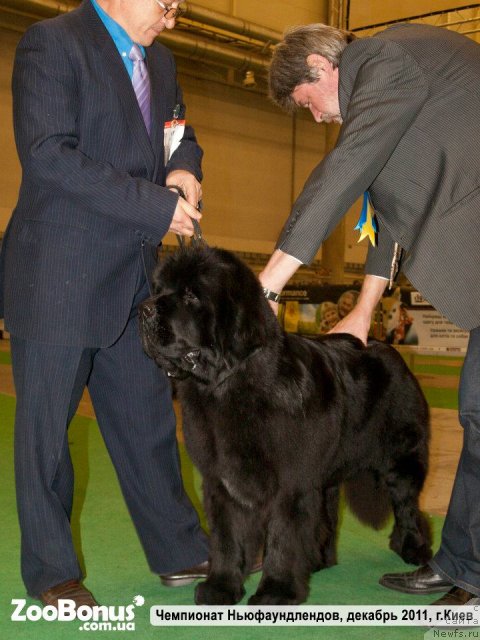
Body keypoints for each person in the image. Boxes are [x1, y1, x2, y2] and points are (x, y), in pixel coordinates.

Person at [259, 22, 480, 606]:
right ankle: (463, 564)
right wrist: (362, 311)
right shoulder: (394, 94)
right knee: (478, 410)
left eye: (307, 104)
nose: (315, 120)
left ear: (319, 66)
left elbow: (344, 172)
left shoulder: (384, 61)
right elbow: (391, 210)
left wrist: (269, 284)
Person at [0, 0, 211, 607]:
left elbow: (178, 130)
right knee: (45, 437)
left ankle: (180, 550)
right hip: (58, 276)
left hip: (132, 277)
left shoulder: (161, 61)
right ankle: (52, 573)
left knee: (146, 421)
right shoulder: (52, 43)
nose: (171, 19)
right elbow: (47, 154)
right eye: (167, 4)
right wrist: (154, 208)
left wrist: (184, 169)